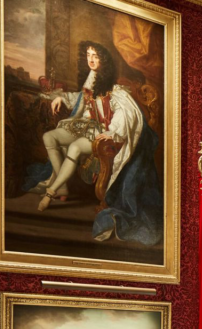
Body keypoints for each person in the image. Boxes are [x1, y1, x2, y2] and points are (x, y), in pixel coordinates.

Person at [34, 41, 162, 245]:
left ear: (105, 61)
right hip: (87, 127)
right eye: (88, 55)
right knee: (49, 137)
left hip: (102, 132)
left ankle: (50, 193)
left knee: (75, 147)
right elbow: (80, 99)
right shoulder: (91, 81)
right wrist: (60, 98)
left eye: (96, 56)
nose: (91, 59)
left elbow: (127, 112)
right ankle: (63, 185)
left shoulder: (114, 86)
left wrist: (113, 132)